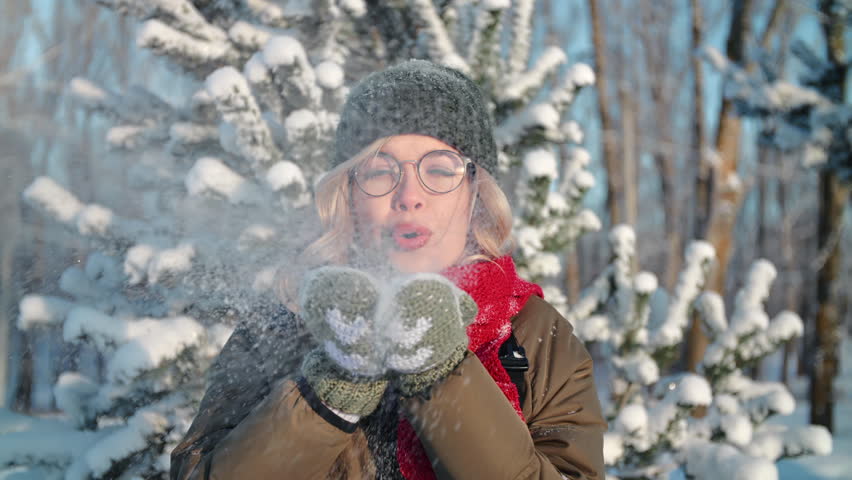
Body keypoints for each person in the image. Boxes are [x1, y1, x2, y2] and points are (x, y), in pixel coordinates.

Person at [170, 59, 606, 480]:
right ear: (349, 194)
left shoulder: (533, 335)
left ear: (475, 192)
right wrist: (333, 386)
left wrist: (443, 374)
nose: (409, 196)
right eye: (380, 172)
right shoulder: (282, 324)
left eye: (440, 169)